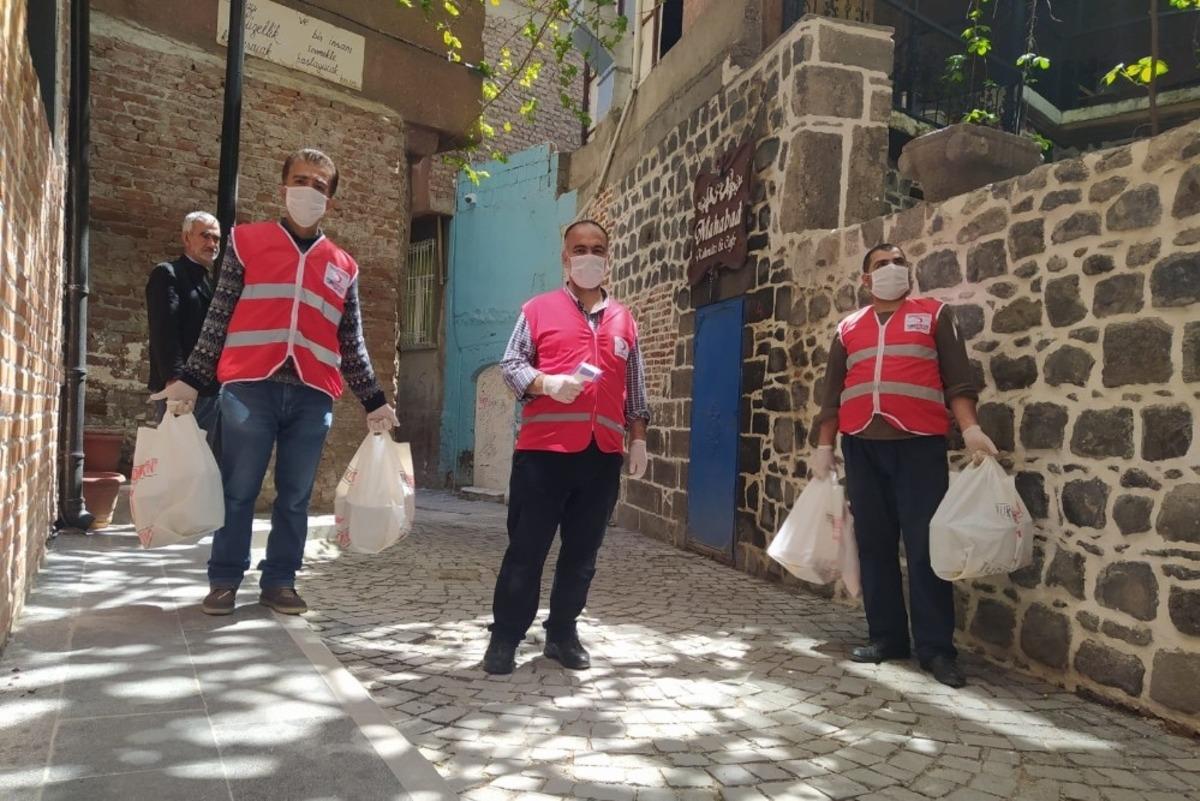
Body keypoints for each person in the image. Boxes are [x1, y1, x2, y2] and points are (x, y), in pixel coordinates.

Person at [152, 148, 398, 617]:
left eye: (319, 185)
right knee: (238, 488)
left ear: (331, 198)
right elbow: (218, 315)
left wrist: (375, 400)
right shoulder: (246, 242)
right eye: (300, 180)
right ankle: (224, 579)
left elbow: (353, 342)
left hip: (312, 394)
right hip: (249, 387)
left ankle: (280, 581)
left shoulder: (344, 266)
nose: (309, 190)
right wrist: (191, 378)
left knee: (296, 496)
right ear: (283, 187)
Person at [809, 243, 997, 689]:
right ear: (865, 280)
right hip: (862, 445)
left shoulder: (934, 315)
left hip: (918, 445)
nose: (893, 269)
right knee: (874, 544)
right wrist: (823, 445)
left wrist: (969, 429)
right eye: (881, 264)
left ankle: (936, 649)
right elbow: (832, 393)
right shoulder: (848, 327)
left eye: (898, 262)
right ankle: (887, 637)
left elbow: (958, 380)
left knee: (925, 546)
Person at [483, 219, 650, 675]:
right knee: (527, 550)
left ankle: (561, 633)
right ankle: (505, 637)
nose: (589, 256)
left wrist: (638, 440)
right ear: (565, 257)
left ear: (608, 258)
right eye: (580, 249)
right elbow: (510, 364)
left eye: (597, 249)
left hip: (601, 457)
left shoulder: (624, 320)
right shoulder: (537, 309)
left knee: (582, 555)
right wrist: (545, 383)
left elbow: (635, 389)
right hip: (544, 455)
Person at [146, 211, 222, 447]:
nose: (212, 244)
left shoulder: (210, 282)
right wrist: (174, 380)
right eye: (205, 236)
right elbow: (163, 331)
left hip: (210, 390)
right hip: (181, 389)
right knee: (177, 463)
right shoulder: (168, 274)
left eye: (216, 239)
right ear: (186, 238)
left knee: (204, 468)